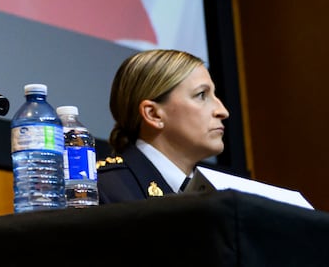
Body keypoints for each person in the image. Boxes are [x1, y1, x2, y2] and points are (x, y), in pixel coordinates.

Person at [96, 48, 230, 203]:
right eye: (201, 95)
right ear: (153, 114)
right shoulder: (101, 190)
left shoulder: (215, 197)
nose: (223, 111)